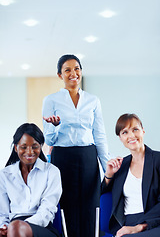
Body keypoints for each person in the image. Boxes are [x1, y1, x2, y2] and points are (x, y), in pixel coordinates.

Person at [42, 54, 110, 237]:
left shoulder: (93, 100)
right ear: (60, 75)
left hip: (88, 156)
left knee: (90, 205)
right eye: (67, 70)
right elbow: (49, 140)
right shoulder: (51, 100)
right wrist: (55, 127)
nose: (73, 73)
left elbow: (100, 135)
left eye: (77, 68)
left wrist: (108, 170)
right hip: (63, 158)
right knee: (67, 206)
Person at [102, 113, 160, 237]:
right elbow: (99, 194)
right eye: (125, 132)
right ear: (120, 138)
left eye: (135, 129)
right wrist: (109, 174)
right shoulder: (121, 165)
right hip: (126, 223)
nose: (131, 136)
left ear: (143, 131)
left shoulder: (158, 160)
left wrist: (140, 227)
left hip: (154, 221)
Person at [0, 123, 62, 237]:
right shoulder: (4, 175)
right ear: (15, 148)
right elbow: (2, 213)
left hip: (42, 227)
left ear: (41, 146)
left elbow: (47, 210)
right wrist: (4, 227)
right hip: (12, 226)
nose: (29, 152)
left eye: (35, 146)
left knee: (16, 228)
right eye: (24, 147)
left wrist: (19, 226)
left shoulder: (51, 172)